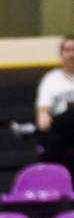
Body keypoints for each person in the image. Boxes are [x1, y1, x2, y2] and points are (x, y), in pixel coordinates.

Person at [33, 34, 74, 166]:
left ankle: (30, 130)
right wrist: (43, 117)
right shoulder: (51, 79)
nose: (71, 54)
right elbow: (43, 116)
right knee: (53, 137)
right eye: (67, 50)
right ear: (61, 54)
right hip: (60, 132)